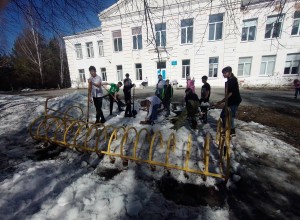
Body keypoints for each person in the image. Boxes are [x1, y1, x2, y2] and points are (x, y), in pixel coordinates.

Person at [217, 66, 242, 136]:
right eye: (223, 73)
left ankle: (231, 131)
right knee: (224, 115)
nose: (223, 74)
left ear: (230, 72)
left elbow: (230, 93)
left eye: (225, 73)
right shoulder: (229, 80)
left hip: (234, 101)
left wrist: (222, 101)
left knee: (229, 116)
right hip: (229, 101)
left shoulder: (233, 80)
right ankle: (229, 129)